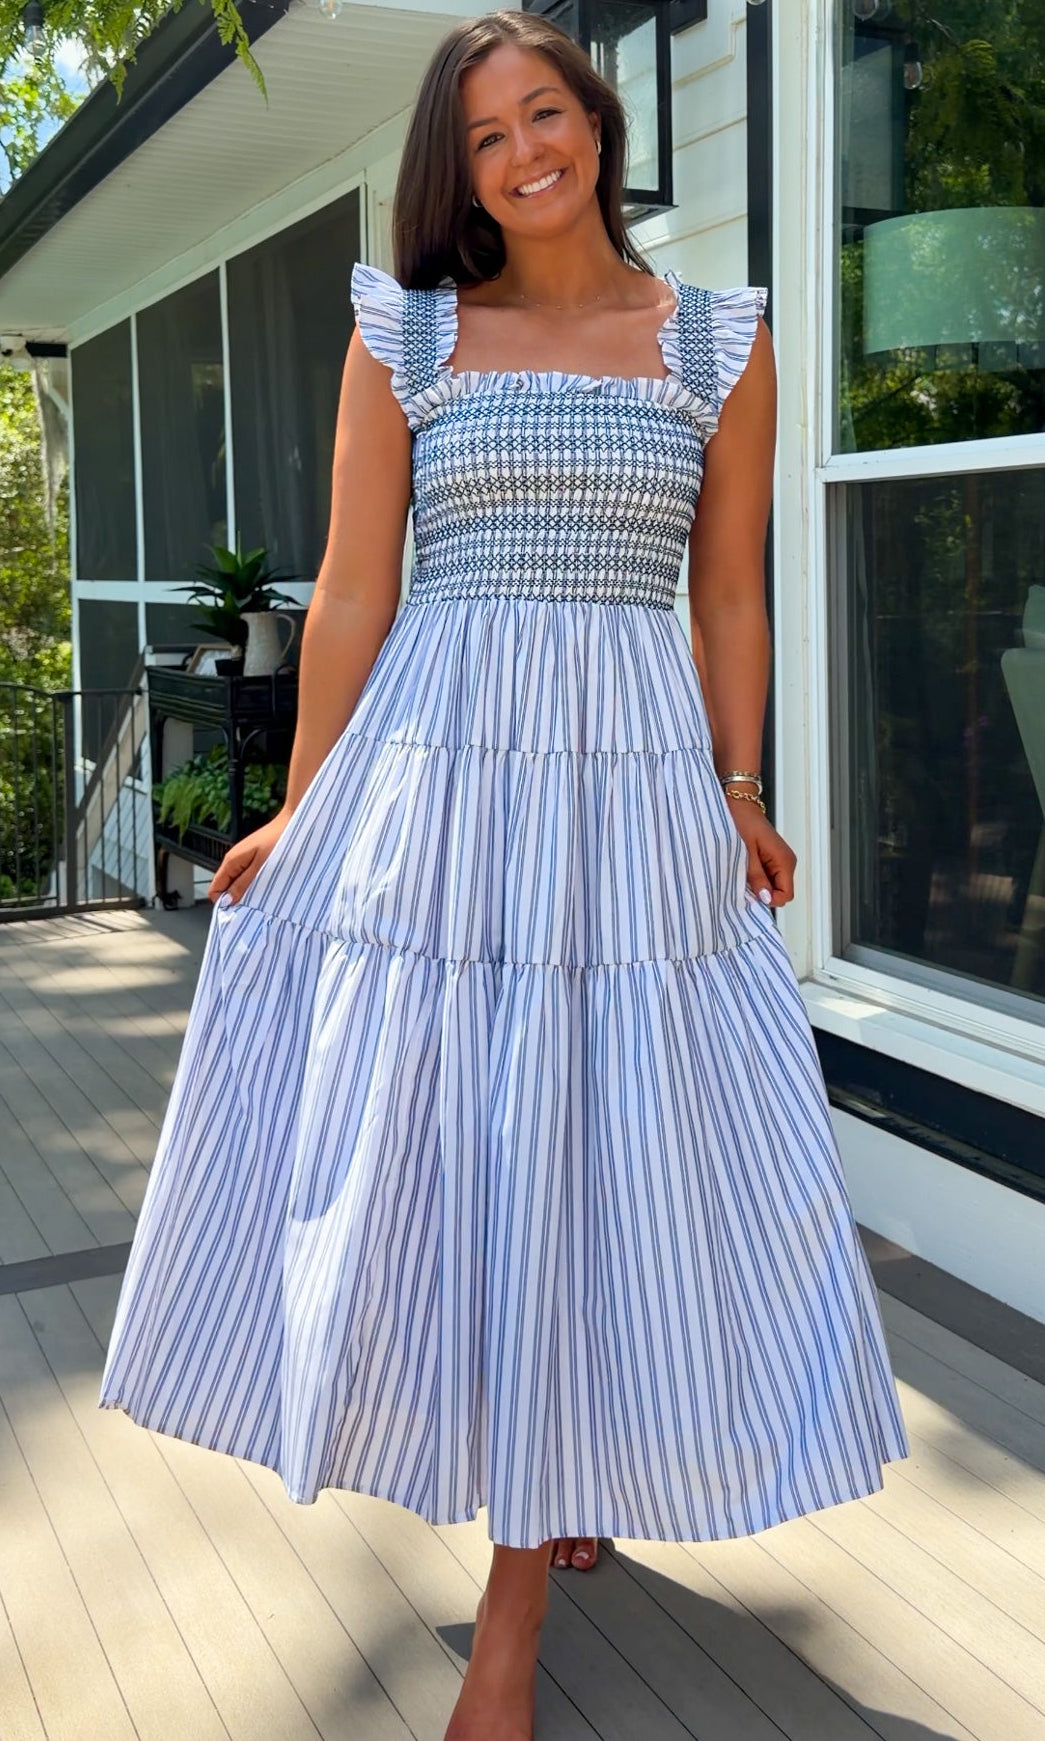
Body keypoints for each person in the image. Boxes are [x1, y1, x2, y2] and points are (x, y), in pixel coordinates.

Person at [100, 11, 910, 1739]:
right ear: (452, 171)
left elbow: (730, 598)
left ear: (596, 121)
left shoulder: (713, 338)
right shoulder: (406, 336)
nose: (524, 150)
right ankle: (523, 1545)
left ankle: (529, 1572)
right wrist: (301, 810)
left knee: (607, 1134)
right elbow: (351, 593)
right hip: (440, 780)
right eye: (483, 136)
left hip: (626, 789)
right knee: (468, 1140)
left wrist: (741, 783)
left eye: (545, 111)